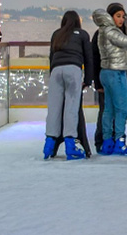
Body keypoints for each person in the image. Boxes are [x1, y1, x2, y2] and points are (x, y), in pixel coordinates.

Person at [91, 3, 127, 157]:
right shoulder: (111, 31)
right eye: (118, 16)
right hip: (116, 73)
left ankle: (107, 143)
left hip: (106, 73)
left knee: (109, 109)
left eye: (123, 17)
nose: (121, 19)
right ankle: (119, 142)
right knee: (122, 110)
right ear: (110, 17)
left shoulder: (101, 31)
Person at [43, 11, 93, 160]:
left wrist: (52, 74)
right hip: (73, 69)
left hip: (56, 71)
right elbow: (88, 59)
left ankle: (48, 145)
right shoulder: (83, 34)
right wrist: (88, 80)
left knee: (54, 108)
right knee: (71, 107)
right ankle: (71, 147)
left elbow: (51, 57)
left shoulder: (56, 34)